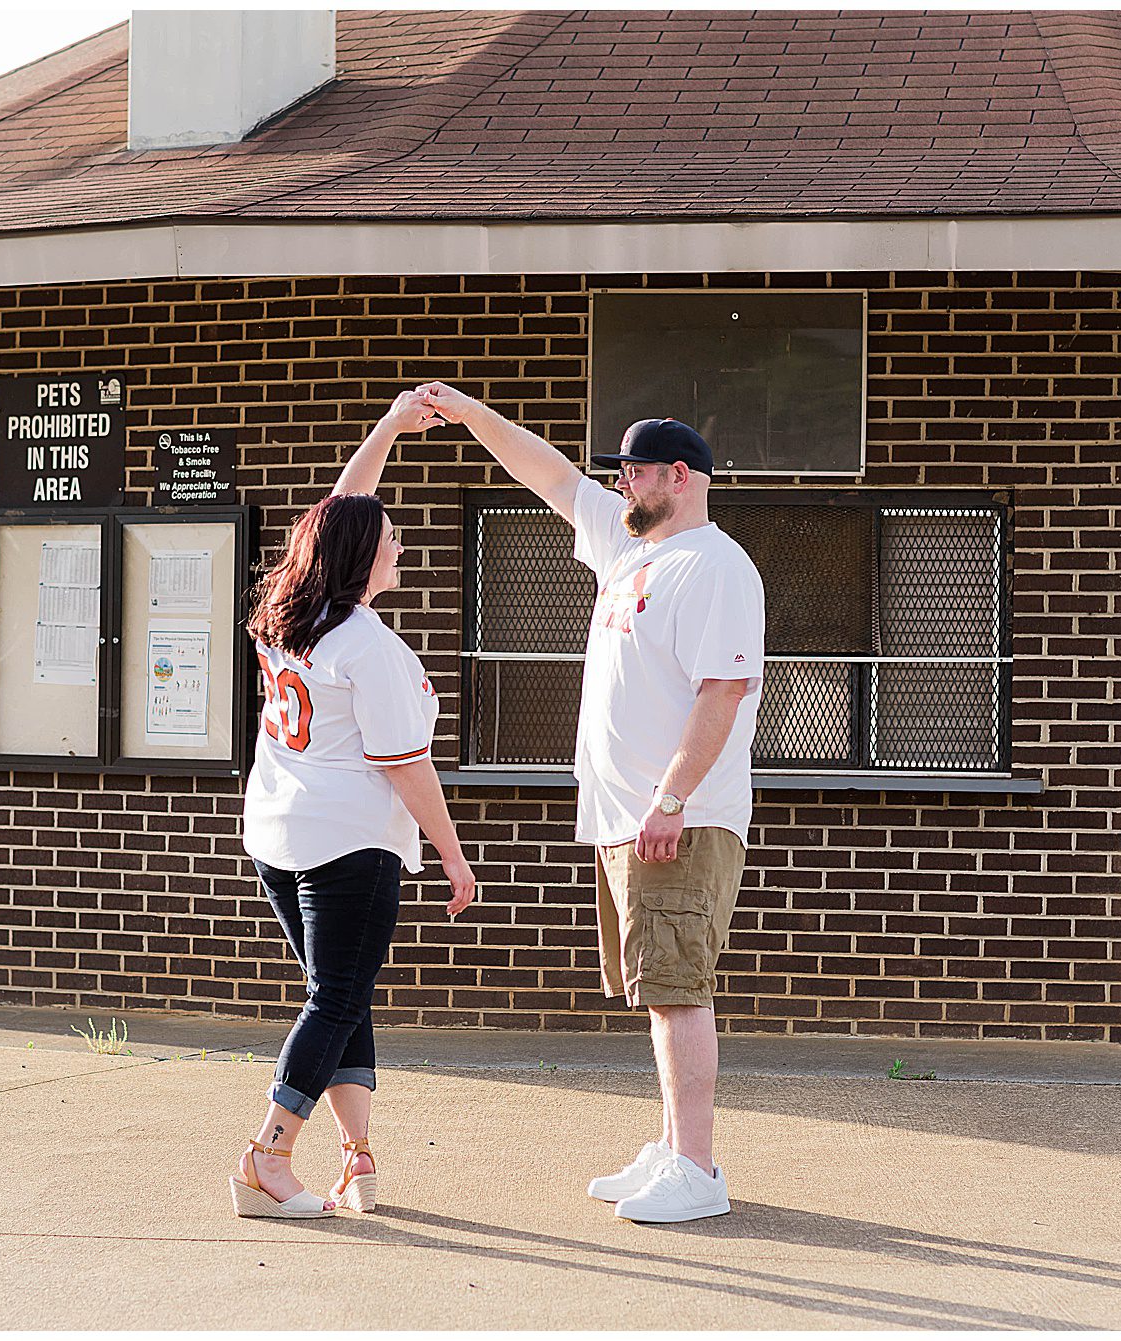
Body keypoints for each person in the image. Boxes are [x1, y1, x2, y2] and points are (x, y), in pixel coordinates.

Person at [415, 382, 764, 1224]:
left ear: (679, 476)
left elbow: (723, 693)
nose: (617, 488)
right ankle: (671, 1143)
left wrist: (672, 797)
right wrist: (470, 414)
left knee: (679, 986)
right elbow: (552, 477)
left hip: (678, 819)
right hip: (624, 819)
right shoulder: (627, 547)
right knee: (655, 986)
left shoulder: (716, 566)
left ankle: (696, 1167)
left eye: (633, 475)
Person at [230, 391, 477, 1219]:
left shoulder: (288, 614)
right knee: (336, 997)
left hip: (278, 830)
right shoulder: (368, 644)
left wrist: (387, 431)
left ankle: (359, 1160)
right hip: (349, 843)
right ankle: (266, 1156)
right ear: (363, 558)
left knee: (340, 994)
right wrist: (450, 850)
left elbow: (341, 510)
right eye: (390, 538)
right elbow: (408, 768)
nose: (398, 540)